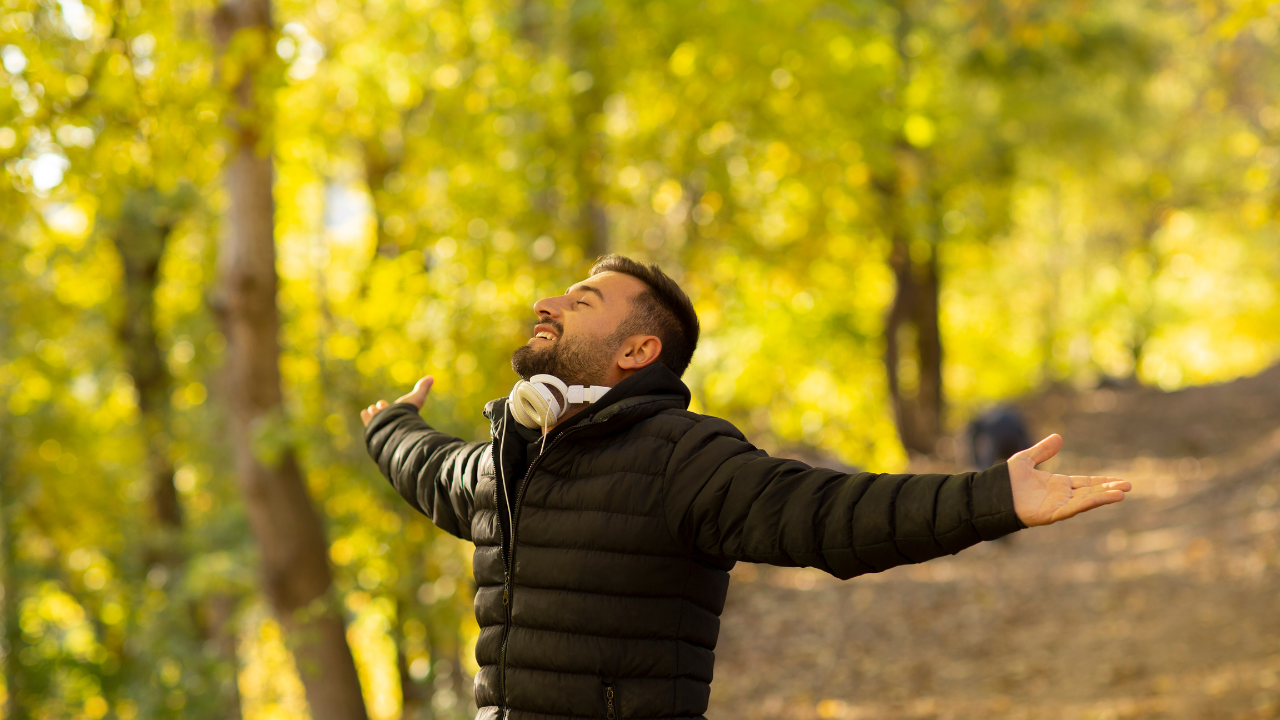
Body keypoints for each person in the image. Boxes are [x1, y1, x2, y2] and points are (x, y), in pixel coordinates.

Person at [361, 254, 1131, 720]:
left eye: (580, 301)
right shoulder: (509, 460)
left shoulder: (682, 457)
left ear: (638, 350)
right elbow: (432, 468)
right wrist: (389, 426)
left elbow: (831, 516)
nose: (547, 304)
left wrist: (992, 499)